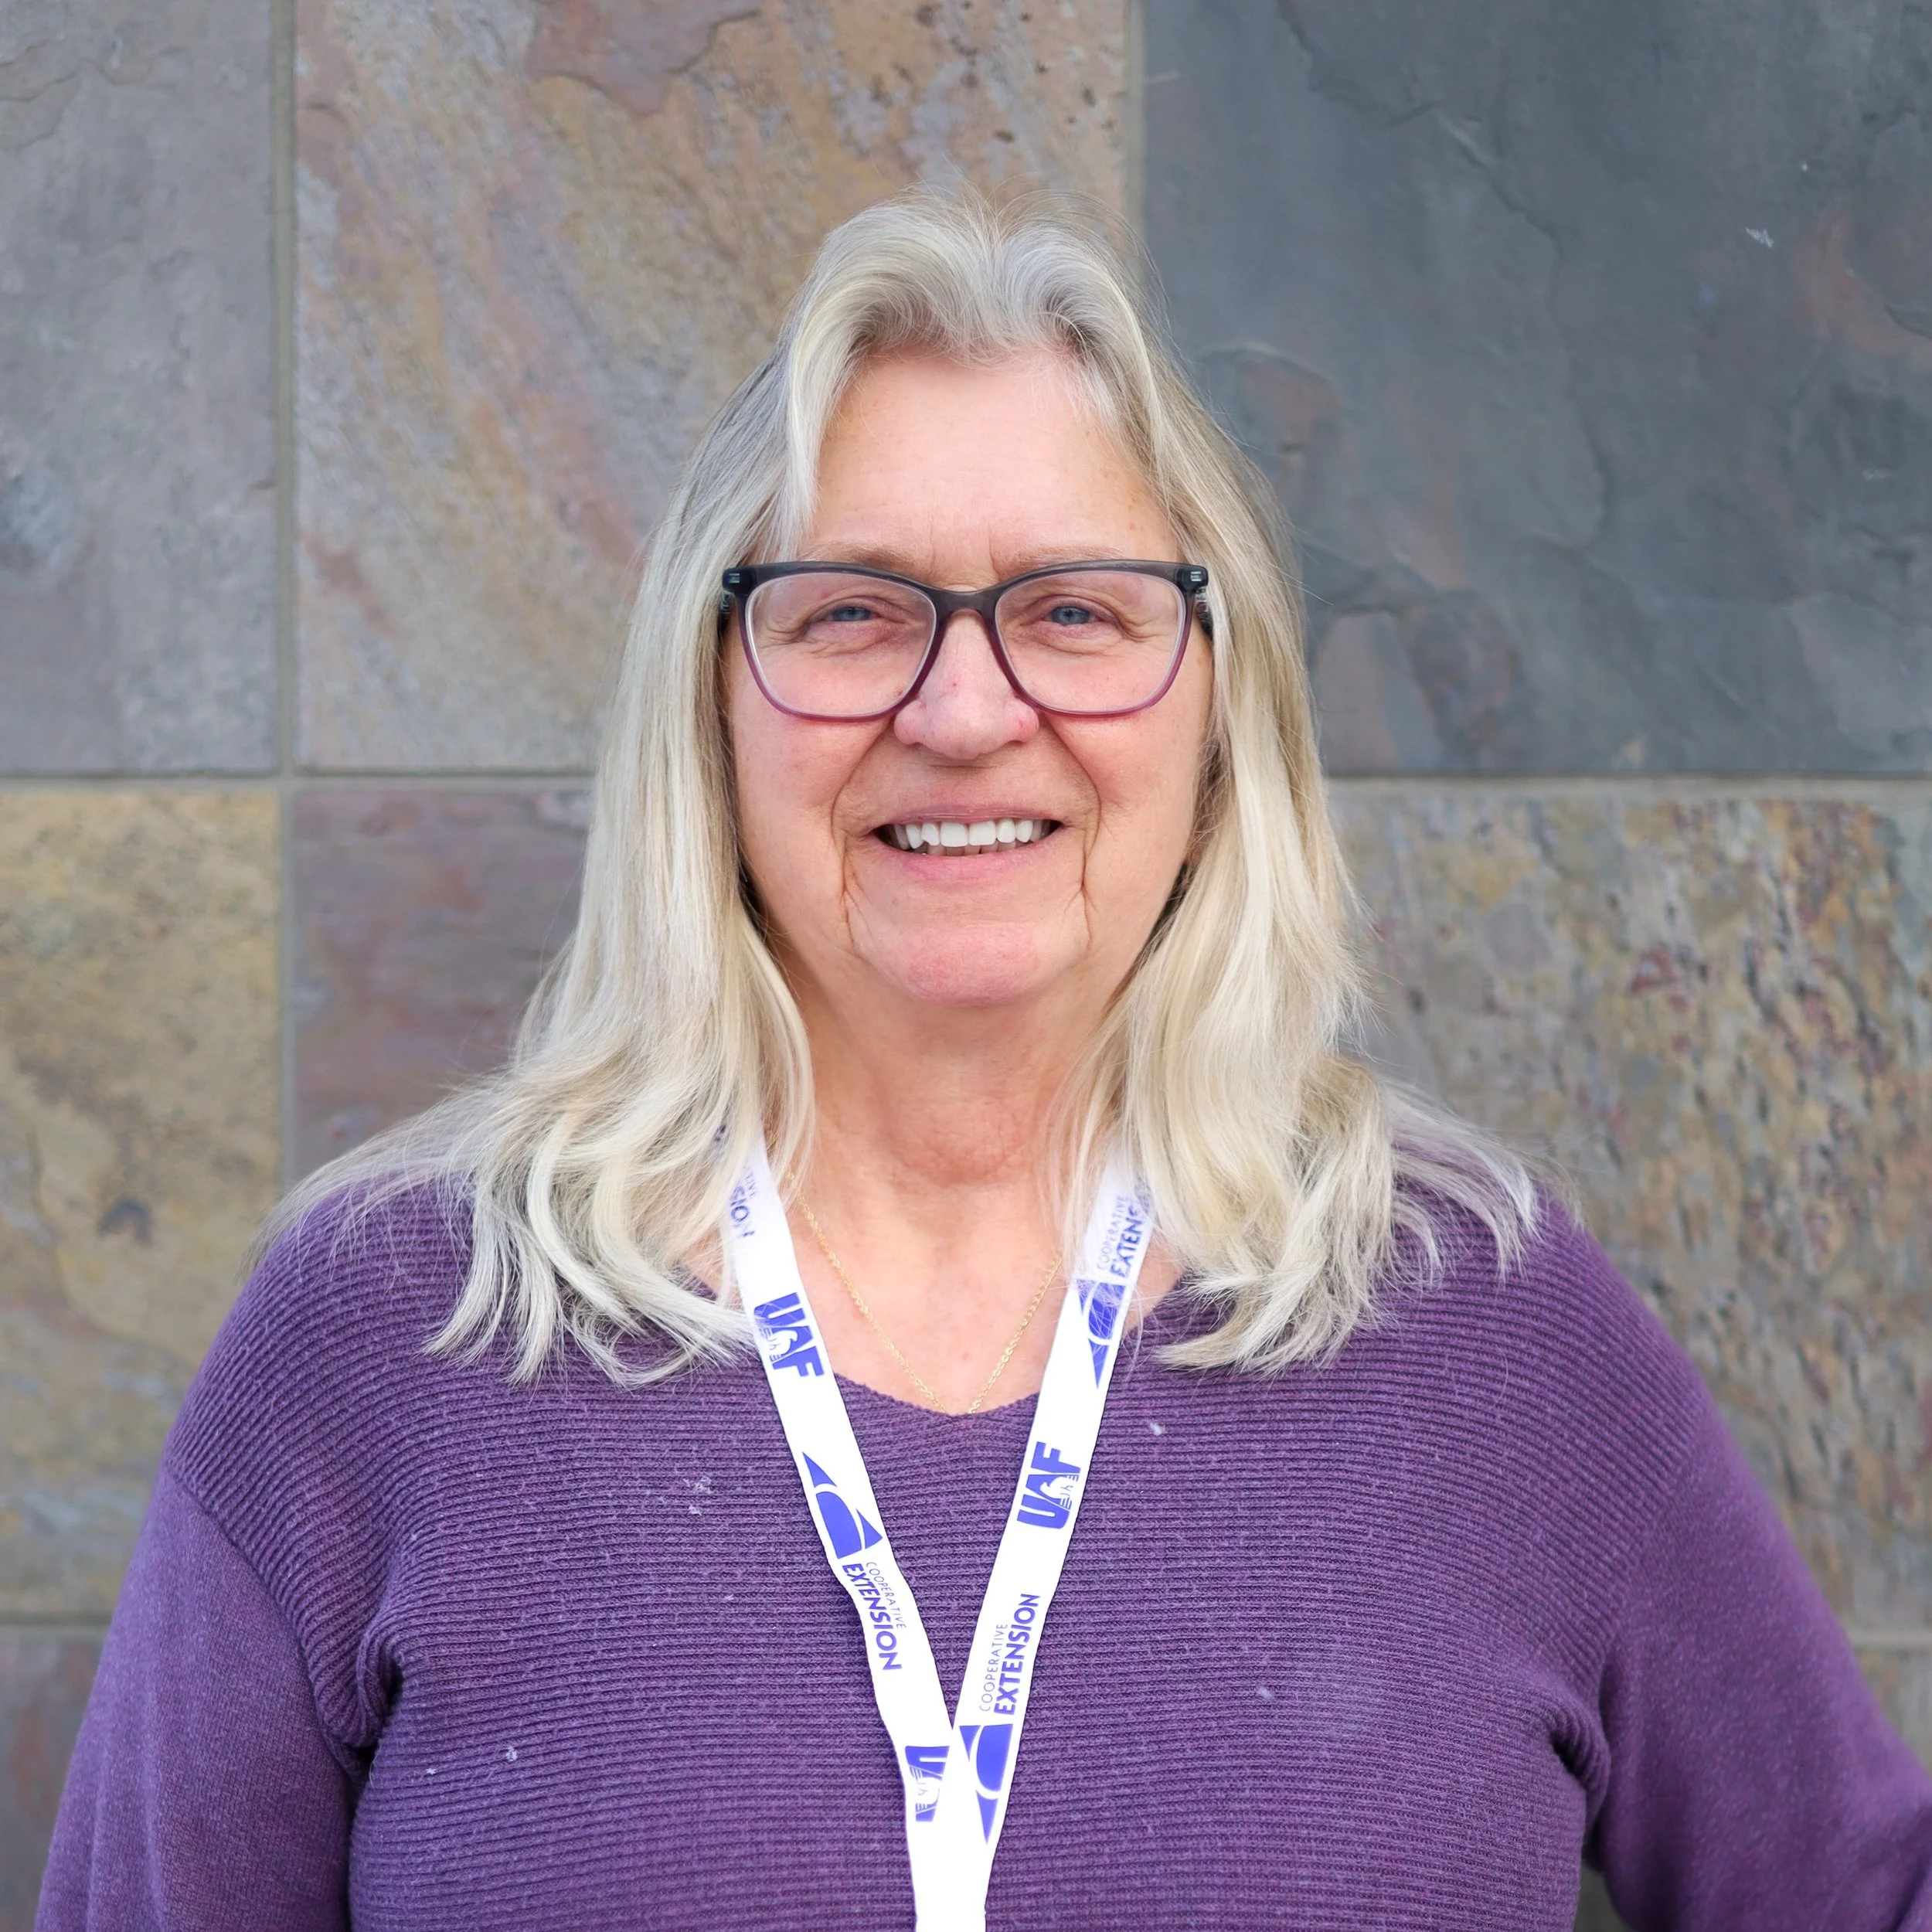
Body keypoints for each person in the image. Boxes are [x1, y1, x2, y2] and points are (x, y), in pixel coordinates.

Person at [38, 191, 1932, 1932]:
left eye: (1075, 611)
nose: (962, 709)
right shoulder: (387, 1340)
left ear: (1216, 717)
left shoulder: (1486, 1334)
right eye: (851, 611)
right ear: (709, 713)